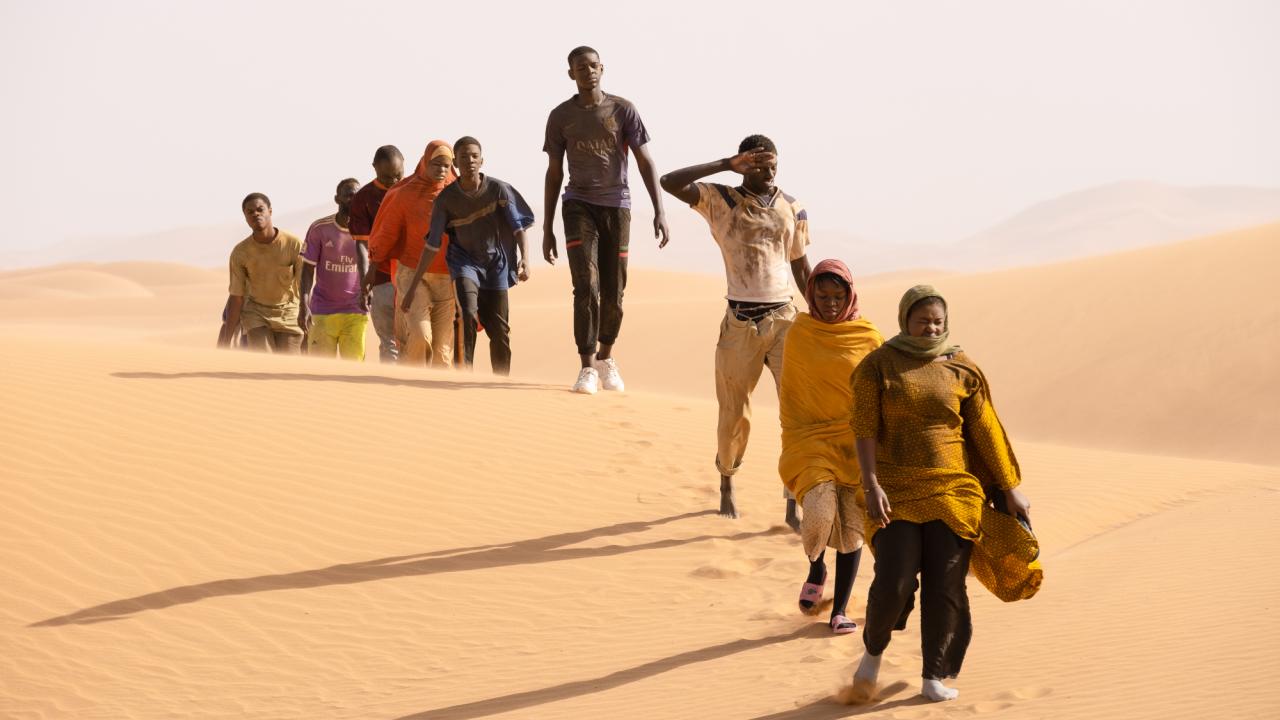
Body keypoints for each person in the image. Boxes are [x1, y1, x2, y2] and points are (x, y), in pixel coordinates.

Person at [849, 285, 1032, 703]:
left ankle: (935, 674)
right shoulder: (877, 366)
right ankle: (873, 652)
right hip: (895, 488)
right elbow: (863, 428)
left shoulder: (961, 367)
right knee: (894, 580)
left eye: (938, 322)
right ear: (904, 321)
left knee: (946, 585)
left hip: (953, 490)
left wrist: (1009, 488)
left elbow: (986, 431)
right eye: (923, 321)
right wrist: (871, 483)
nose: (931, 328)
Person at [659, 134, 811, 525]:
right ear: (745, 164)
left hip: (784, 320)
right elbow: (669, 182)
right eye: (758, 163)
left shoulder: (793, 207)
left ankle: (792, 500)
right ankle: (727, 481)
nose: (768, 170)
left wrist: (825, 315)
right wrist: (726, 163)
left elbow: (800, 264)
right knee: (733, 414)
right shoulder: (721, 200)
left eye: (772, 163)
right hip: (740, 323)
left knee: (795, 412)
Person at [542, 45, 669, 394]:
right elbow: (554, 173)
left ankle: (606, 357)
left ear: (603, 68)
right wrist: (547, 227)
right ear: (571, 73)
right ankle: (586, 367)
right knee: (586, 285)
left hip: (617, 206)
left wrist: (659, 210)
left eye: (594, 65)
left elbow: (645, 161)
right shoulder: (560, 116)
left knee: (614, 290)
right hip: (577, 205)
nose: (588, 71)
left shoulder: (623, 109)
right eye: (580, 67)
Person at [778, 260, 884, 635]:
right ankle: (816, 565)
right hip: (809, 441)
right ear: (811, 295)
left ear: (850, 294)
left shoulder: (867, 336)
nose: (831, 303)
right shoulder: (801, 333)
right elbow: (792, 395)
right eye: (822, 296)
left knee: (852, 529)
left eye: (838, 296)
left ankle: (839, 610)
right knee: (820, 514)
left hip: (856, 444)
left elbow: (885, 384)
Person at [402, 137, 533, 375]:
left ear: (482, 160)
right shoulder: (446, 199)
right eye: (463, 156)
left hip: (496, 266)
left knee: (500, 330)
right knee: (468, 314)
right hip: (464, 263)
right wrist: (411, 287)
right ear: (456, 163)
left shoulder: (498, 189)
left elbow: (518, 229)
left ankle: (501, 380)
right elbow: (432, 245)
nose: (469, 160)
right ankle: (466, 373)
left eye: (474, 156)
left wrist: (525, 258)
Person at [367, 140, 457, 368]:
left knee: (442, 351)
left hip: (447, 278)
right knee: (420, 336)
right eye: (436, 164)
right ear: (425, 162)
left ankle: (434, 398)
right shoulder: (405, 193)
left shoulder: (457, 192)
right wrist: (373, 268)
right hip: (411, 274)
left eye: (447, 165)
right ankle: (409, 386)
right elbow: (386, 232)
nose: (442, 170)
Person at [218, 193, 305, 353]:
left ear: (270, 211)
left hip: (288, 314)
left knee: (289, 365)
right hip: (256, 315)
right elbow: (236, 296)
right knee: (265, 361)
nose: (255, 214)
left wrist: (307, 319)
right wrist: (226, 340)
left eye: (260, 209)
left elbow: (304, 287)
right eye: (250, 212)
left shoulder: (294, 245)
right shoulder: (240, 252)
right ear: (245, 217)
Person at [300, 178, 368, 360]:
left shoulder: (369, 228)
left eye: (358, 196)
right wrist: (303, 305)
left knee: (354, 373)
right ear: (337, 199)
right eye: (349, 196)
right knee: (318, 371)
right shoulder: (319, 229)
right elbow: (307, 271)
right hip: (322, 311)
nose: (354, 200)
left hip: (356, 311)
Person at [350, 145, 405, 362]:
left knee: (414, 338)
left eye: (398, 175)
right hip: (381, 278)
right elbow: (362, 245)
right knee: (389, 341)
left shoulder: (413, 190)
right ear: (374, 168)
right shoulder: (363, 198)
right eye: (386, 176)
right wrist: (366, 280)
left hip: (412, 276)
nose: (393, 181)